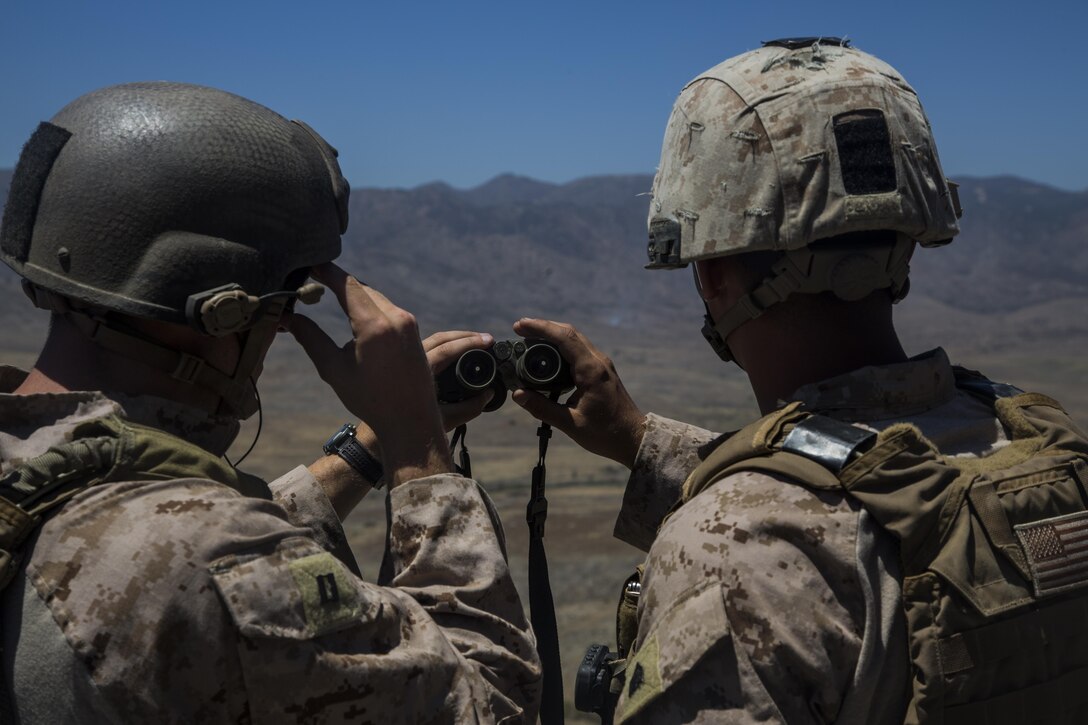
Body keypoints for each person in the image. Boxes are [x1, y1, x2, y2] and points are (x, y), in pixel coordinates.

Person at [513, 38, 1088, 723]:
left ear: (711, 273)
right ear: (905, 240)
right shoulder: (1037, 449)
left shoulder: (732, 554)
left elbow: (809, 518)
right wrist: (640, 441)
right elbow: (859, 490)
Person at [0, 82, 540, 723]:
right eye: (283, 303)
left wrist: (365, 448)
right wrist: (417, 446)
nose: (280, 326)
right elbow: (489, 697)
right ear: (223, 312)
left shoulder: (33, 463)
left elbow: (136, 537)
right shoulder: (209, 558)